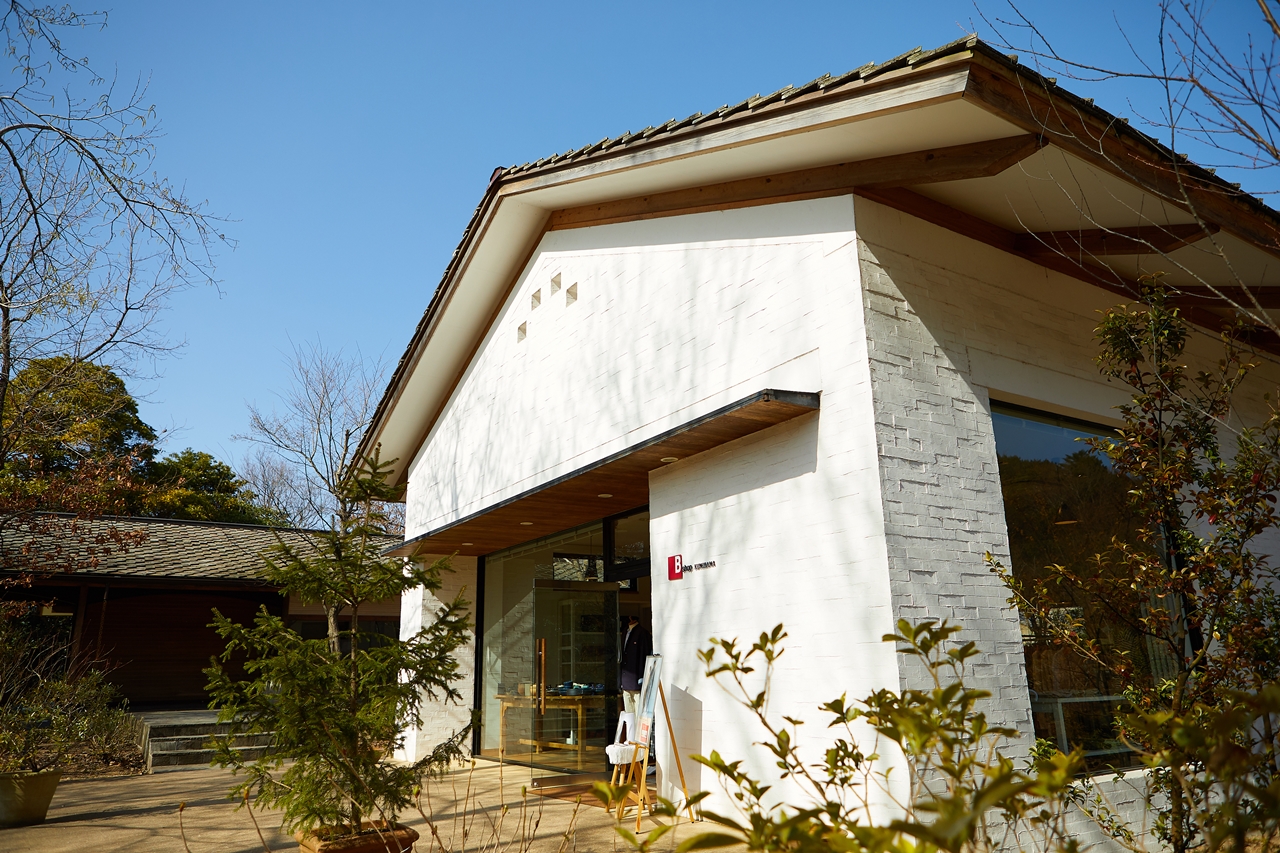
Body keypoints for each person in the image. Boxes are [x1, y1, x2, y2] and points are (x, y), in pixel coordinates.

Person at [620, 614, 651, 714]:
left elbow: (644, 655)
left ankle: (637, 730)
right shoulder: (625, 632)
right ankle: (631, 729)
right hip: (625, 680)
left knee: (638, 712)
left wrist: (642, 676)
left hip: (636, 679)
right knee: (629, 713)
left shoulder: (642, 633)